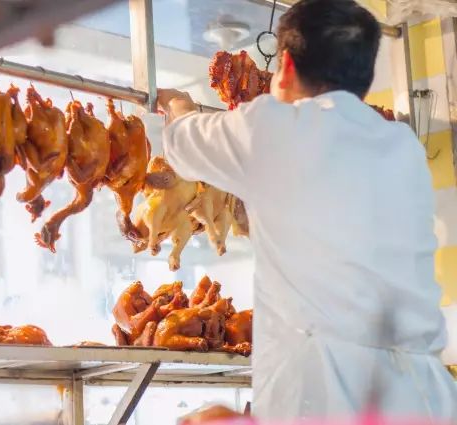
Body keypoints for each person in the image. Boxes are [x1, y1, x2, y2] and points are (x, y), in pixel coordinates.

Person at [156, 0, 457, 421]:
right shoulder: (402, 147)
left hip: (324, 392)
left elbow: (183, 143)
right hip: (424, 395)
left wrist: (177, 106)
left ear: (286, 65)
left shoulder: (275, 128)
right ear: (364, 78)